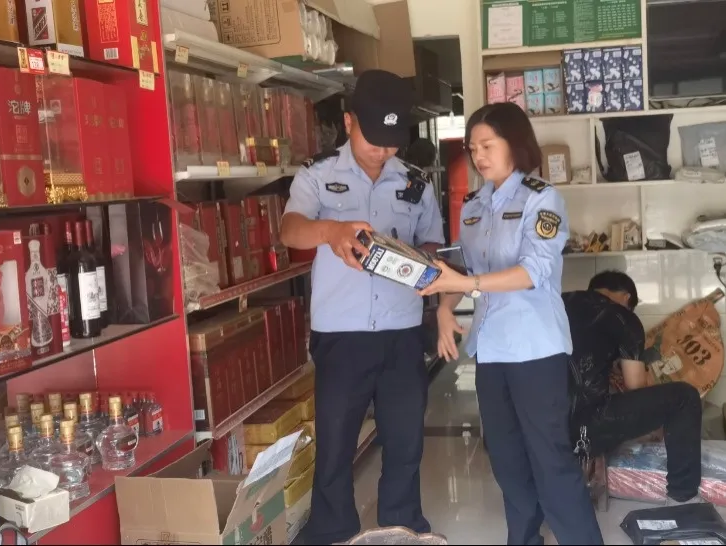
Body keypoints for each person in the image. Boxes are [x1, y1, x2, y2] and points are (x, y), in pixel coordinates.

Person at [420, 102, 603, 545]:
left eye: (488, 145)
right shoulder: (473, 205)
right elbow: (464, 267)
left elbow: (533, 271)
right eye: (472, 147)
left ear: (514, 144)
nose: (478, 155)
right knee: (505, 458)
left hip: (535, 349)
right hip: (491, 350)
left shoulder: (541, 198)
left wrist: (466, 283)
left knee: (549, 458)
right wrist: (445, 307)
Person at [281, 69, 445, 545]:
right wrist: (331, 231)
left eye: (393, 142)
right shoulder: (317, 175)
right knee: (335, 441)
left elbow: (432, 240)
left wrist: (420, 259)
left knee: (405, 439)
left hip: (401, 333)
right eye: (375, 139)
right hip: (341, 334)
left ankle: (402, 523)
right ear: (349, 122)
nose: (383, 150)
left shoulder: (414, 182)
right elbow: (290, 230)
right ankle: (332, 528)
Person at [563, 270, 703, 504]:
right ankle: (683, 498)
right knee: (684, 397)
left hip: (537, 427)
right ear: (627, 298)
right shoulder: (622, 316)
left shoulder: (559, 302)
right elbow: (635, 385)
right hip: (583, 429)